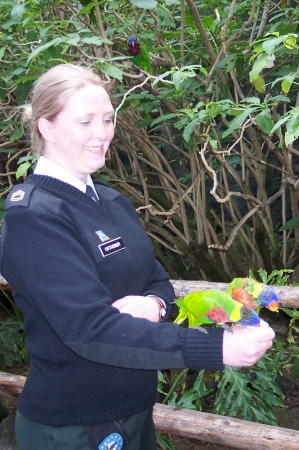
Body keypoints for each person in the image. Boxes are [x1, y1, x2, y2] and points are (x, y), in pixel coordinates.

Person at [0, 64, 275, 450]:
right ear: (46, 127)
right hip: (74, 426)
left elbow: (158, 280)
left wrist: (154, 304)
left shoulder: (113, 202)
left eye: (108, 119)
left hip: (134, 409)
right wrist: (217, 348)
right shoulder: (34, 215)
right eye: (85, 122)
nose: (102, 133)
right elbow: (88, 328)